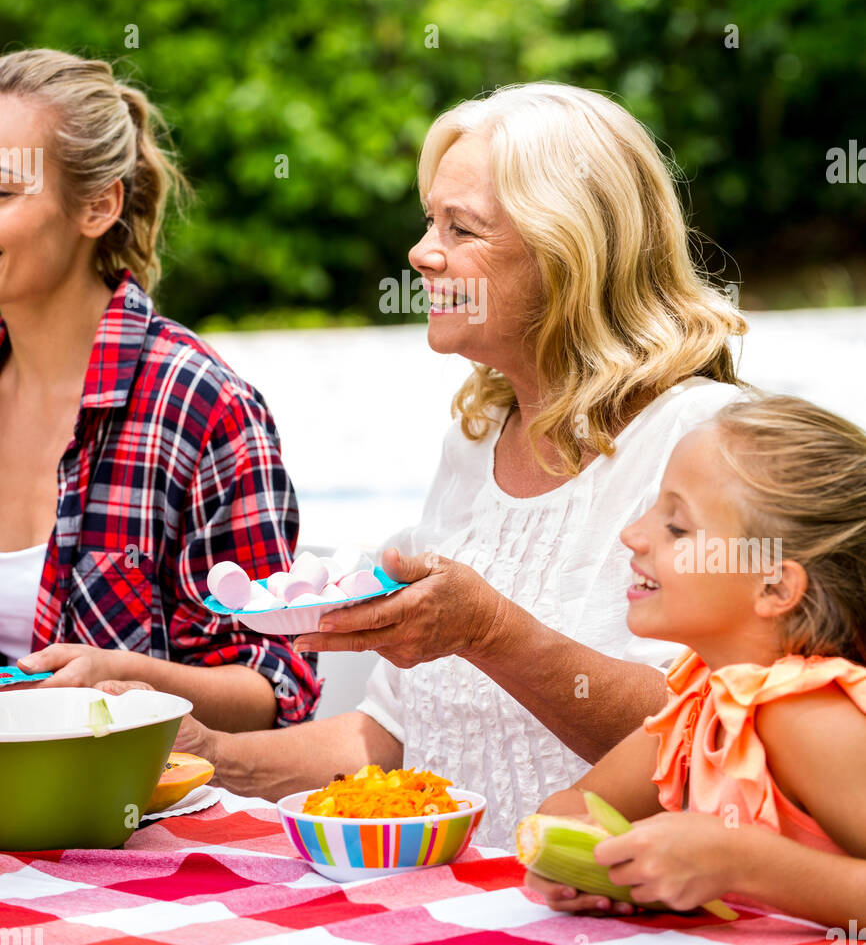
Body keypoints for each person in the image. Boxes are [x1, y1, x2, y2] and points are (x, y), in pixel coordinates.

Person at [175, 82, 749, 844]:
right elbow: (390, 739)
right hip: (456, 905)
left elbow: (707, 739)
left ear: (567, 250)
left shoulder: (701, 440)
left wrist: (490, 633)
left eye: (461, 227)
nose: (420, 252)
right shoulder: (478, 439)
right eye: (428, 221)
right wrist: (204, 757)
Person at [0, 49, 319, 730]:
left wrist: (127, 678)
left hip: (131, 825)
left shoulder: (203, 406)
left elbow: (277, 688)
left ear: (98, 207)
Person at [523, 394, 866, 930]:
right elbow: (578, 804)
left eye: (677, 528)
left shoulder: (811, 715)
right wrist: (582, 862)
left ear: (773, 585)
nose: (633, 534)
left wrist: (741, 861)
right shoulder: (704, 702)